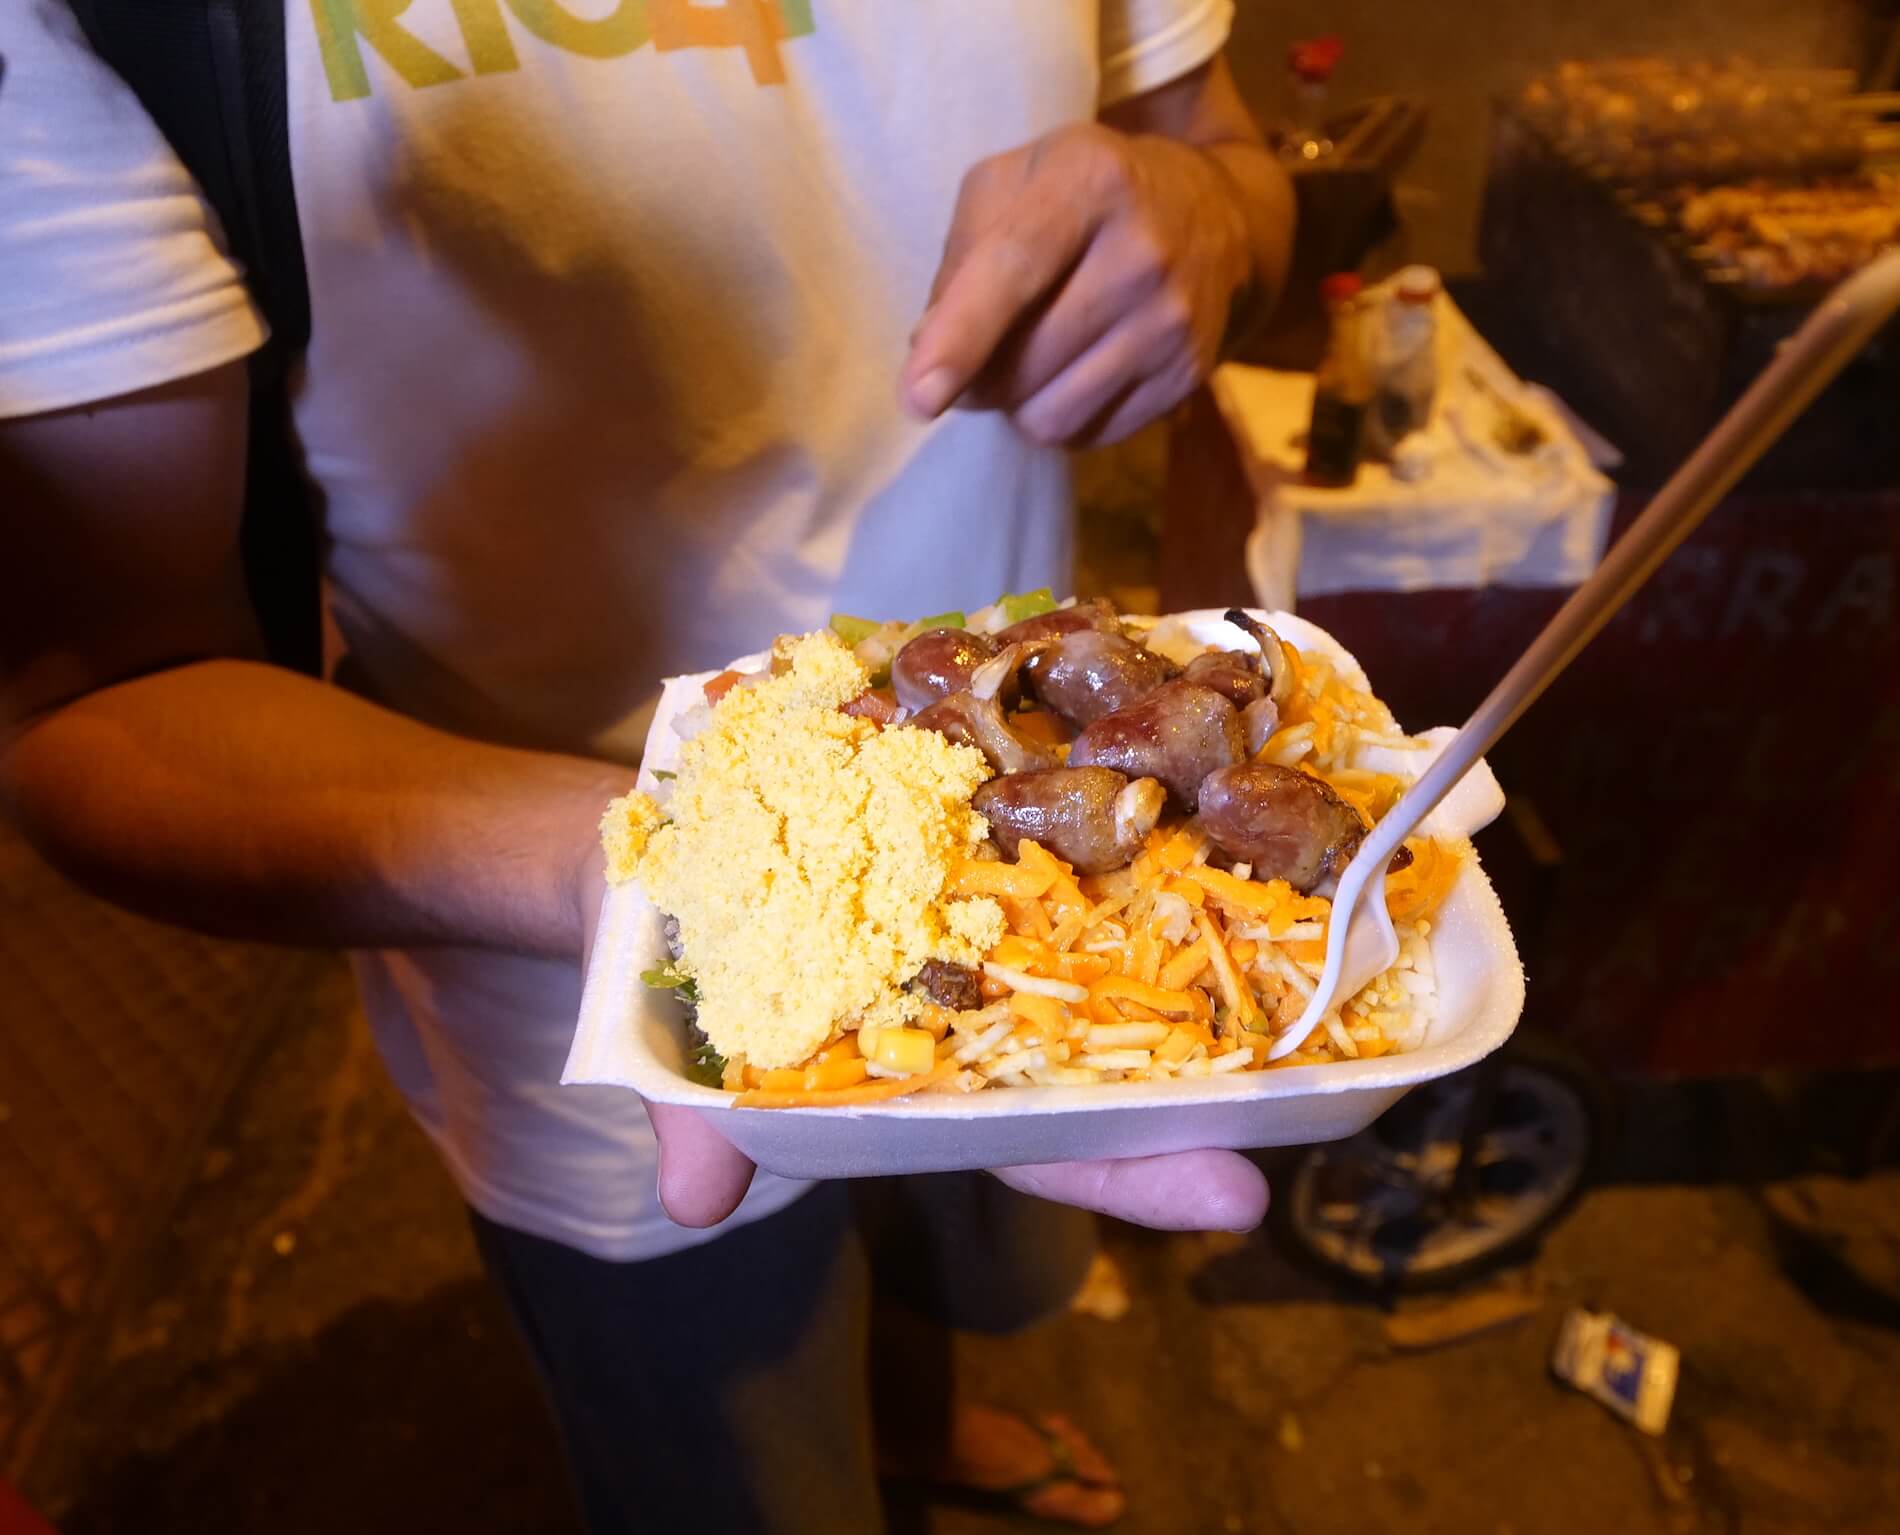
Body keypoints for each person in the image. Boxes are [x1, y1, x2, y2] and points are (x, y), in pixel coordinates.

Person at [0, 2, 1291, 1529]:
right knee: (743, 1451)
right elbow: (106, 700)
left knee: (970, 1268)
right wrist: (634, 872)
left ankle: (928, 1421)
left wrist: (1219, 219)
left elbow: (1221, 154)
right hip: (586, 1006)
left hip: (1056, 899)